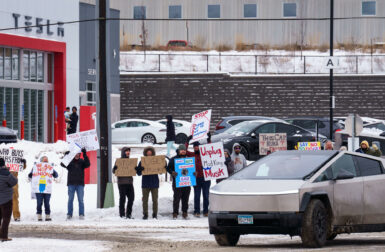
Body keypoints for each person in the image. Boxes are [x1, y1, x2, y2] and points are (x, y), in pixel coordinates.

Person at [186, 133, 211, 217]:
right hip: (196, 178)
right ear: (193, 148)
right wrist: (187, 141)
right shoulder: (192, 155)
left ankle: (205, 211)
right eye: (194, 146)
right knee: (197, 196)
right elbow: (184, 151)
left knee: (206, 196)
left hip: (206, 178)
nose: (196, 147)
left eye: (197, 146)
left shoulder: (205, 154)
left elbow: (211, 149)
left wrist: (208, 140)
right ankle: (196, 211)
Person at [136, 147, 165, 219]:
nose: (149, 153)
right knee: (145, 200)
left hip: (154, 183)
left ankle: (155, 214)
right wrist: (139, 169)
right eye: (147, 152)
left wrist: (163, 166)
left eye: (150, 152)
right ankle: (145, 214)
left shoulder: (156, 161)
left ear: (152, 153)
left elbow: (161, 172)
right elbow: (138, 173)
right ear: (145, 153)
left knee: (155, 200)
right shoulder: (142, 161)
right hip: (145, 183)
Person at [61, 148, 90, 220]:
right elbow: (62, 164)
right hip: (71, 184)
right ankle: (69, 214)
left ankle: (81, 214)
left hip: (80, 184)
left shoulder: (82, 162)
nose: (77, 155)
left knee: (81, 200)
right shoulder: (69, 162)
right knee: (70, 200)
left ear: (80, 155)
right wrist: (66, 156)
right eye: (75, 154)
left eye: (78, 154)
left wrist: (85, 154)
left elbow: (88, 164)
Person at [28, 156, 58, 221]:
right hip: (38, 188)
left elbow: (56, 175)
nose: (46, 162)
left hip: (47, 188)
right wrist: (32, 173)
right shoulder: (36, 167)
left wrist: (53, 171)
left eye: (46, 161)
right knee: (39, 202)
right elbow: (30, 175)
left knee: (47, 203)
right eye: (44, 161)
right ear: (41, 161)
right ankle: (39, 215)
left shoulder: (49, 167)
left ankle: (47, 215)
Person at [167, 144, 191, 219]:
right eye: (182, 150)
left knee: (186, 198)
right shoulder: (173, 159)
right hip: (177, 182)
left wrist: (194, 173)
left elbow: (192, 169)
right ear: (178, 151)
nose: (183, 151)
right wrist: (172, 172)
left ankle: (184, 212)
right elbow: (168, 168)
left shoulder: (189, 159)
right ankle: (175, 212)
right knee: (176, 198)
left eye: (184, 150)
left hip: (187, 182)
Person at [112, 147, 134, 219]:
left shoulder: (131, 161)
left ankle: (128, 214)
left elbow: (134, 171)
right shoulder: (119, 161)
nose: (128, 152)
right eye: (126, 151)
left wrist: (136, 169)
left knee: (131, 198)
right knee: (122, 199)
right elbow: (114, 171)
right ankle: (122, 214)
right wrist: (115, 168)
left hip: (129, 183)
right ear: (123, 152)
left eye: (129, 151)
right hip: (121, 183)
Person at [0, 158, 18, 242]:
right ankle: (4, 236)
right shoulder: (6, 173)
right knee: (6, 219)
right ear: (4, 164)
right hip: (6, 200)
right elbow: (14, 182)